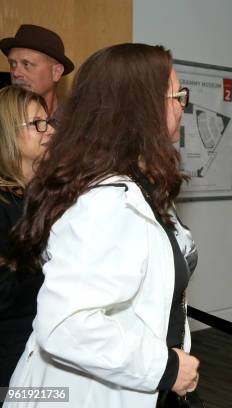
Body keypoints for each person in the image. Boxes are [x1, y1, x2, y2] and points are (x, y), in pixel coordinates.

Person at [5, 43, 199, 407]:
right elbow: (66, 326)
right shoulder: (104, 202)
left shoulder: (135, 186)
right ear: (142, 109)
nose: (182, 106)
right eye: (177, 95)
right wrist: (166, 367)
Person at [0, 85, 53, 386]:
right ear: (8, 132)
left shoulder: (41, 197)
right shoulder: (4, 205)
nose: (49, 131)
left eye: (48, 122)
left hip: (41, 355)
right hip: (11, 363)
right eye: (37, 124)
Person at [0, 24, 74, 121]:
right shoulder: (3, 119)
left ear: (56, 72)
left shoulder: (76, 123)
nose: (16, 73)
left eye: (26, 64)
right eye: (13, 64)